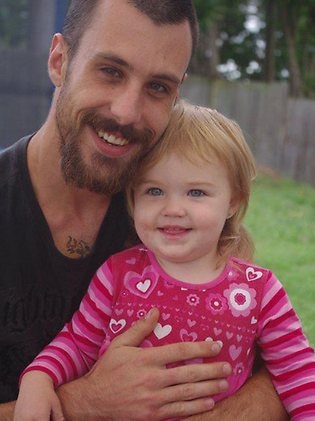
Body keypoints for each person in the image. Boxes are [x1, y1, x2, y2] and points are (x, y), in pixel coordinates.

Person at [0, 0, 289, 420]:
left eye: (157, 87)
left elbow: (282, 368)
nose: (126, 112)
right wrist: (85, 404)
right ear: (60, 61)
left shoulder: (170, 210)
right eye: (111, 71)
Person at [14, 100, 315, 421]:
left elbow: (298, 374)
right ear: (132, 198)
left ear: (233, 201)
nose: (173, 208)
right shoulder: (117, 274)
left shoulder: (259, 291)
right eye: (154, 191)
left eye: (196, 192)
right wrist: (38, 377)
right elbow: (77, 343)